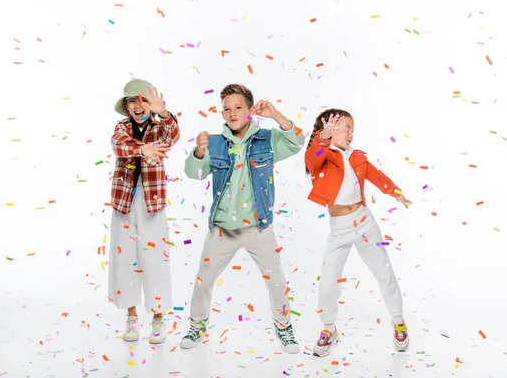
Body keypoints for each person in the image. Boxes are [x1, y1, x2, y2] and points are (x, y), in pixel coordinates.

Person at [181, 83, 304, 353]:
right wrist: (200, 152)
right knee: (203, 279)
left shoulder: (266, 139)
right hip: (223, 229)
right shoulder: (214, 142)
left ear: (250, 111)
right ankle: (197, 324)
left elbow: (296, 142)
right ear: (222, 114)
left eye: (238, 107)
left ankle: (284, 325)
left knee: (276, 280)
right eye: (227, 108)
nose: (232, 112)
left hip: (258, 226)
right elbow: (195, 173)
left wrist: (277, 116)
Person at [304, 109, 411, 356]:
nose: (351, 133)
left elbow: (377, 176)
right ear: (329, 128)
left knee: (384, 272)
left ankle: (399, 321)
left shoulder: (358, 156)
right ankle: (329, 330)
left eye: (352, 128)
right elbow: (312, 160)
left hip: (365, 223)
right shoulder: (322, 156)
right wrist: (323, 138)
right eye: (346, 127)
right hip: (339, 230)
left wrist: (395, 192)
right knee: (328, 283)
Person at [108, 79, 180, 344]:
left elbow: (172, 135)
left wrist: (163, 112)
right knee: (125, 259)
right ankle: (131, 318)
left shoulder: (160, 127)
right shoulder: (121, 127)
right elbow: (119, 146)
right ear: (126, 107)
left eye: (143, 101)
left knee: (154, 259)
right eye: (132, 101)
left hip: (153, 203)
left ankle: (158, 319)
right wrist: (142, 149)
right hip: (124, 202)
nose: (138, 106)